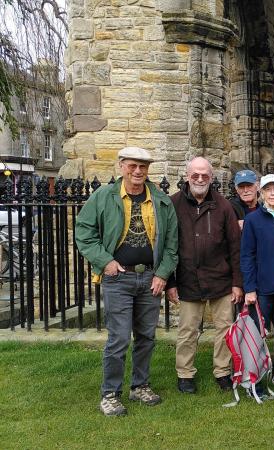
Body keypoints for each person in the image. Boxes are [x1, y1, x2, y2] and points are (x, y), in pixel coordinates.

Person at [75, 146, 178, 417]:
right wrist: (105, 262)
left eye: (143, 167)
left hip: (150, 279)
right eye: (132, 166)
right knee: (119, 338)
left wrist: (162, 274)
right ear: (121, 166)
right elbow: (84, 232)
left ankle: (140, 385)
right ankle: (110, 393)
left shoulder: (161, 200)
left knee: (146, 337)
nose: (137, 171)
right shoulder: (103, 196)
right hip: (118, 278)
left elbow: (171, 245)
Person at [166, 157, 243, 395]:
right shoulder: (173, 204)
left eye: (205, 175)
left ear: (211, 178)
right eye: (195, 175)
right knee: (188, 330)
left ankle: (222, 372)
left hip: (220, 277)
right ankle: (185, 373)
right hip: (188, 278)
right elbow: (167, 246)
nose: (200, 179)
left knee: (224, 329)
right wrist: (170, 282)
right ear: (187, 176)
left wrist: (237, 283)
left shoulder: (223, 206)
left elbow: (235, 246)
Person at [240, 174, 274, 390]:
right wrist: (250, 288)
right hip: (261, 289)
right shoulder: (253, 220)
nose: (272, 193)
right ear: (261, 193)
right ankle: (257, 375)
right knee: (258, 334)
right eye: (268, 190)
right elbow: (247, 255)